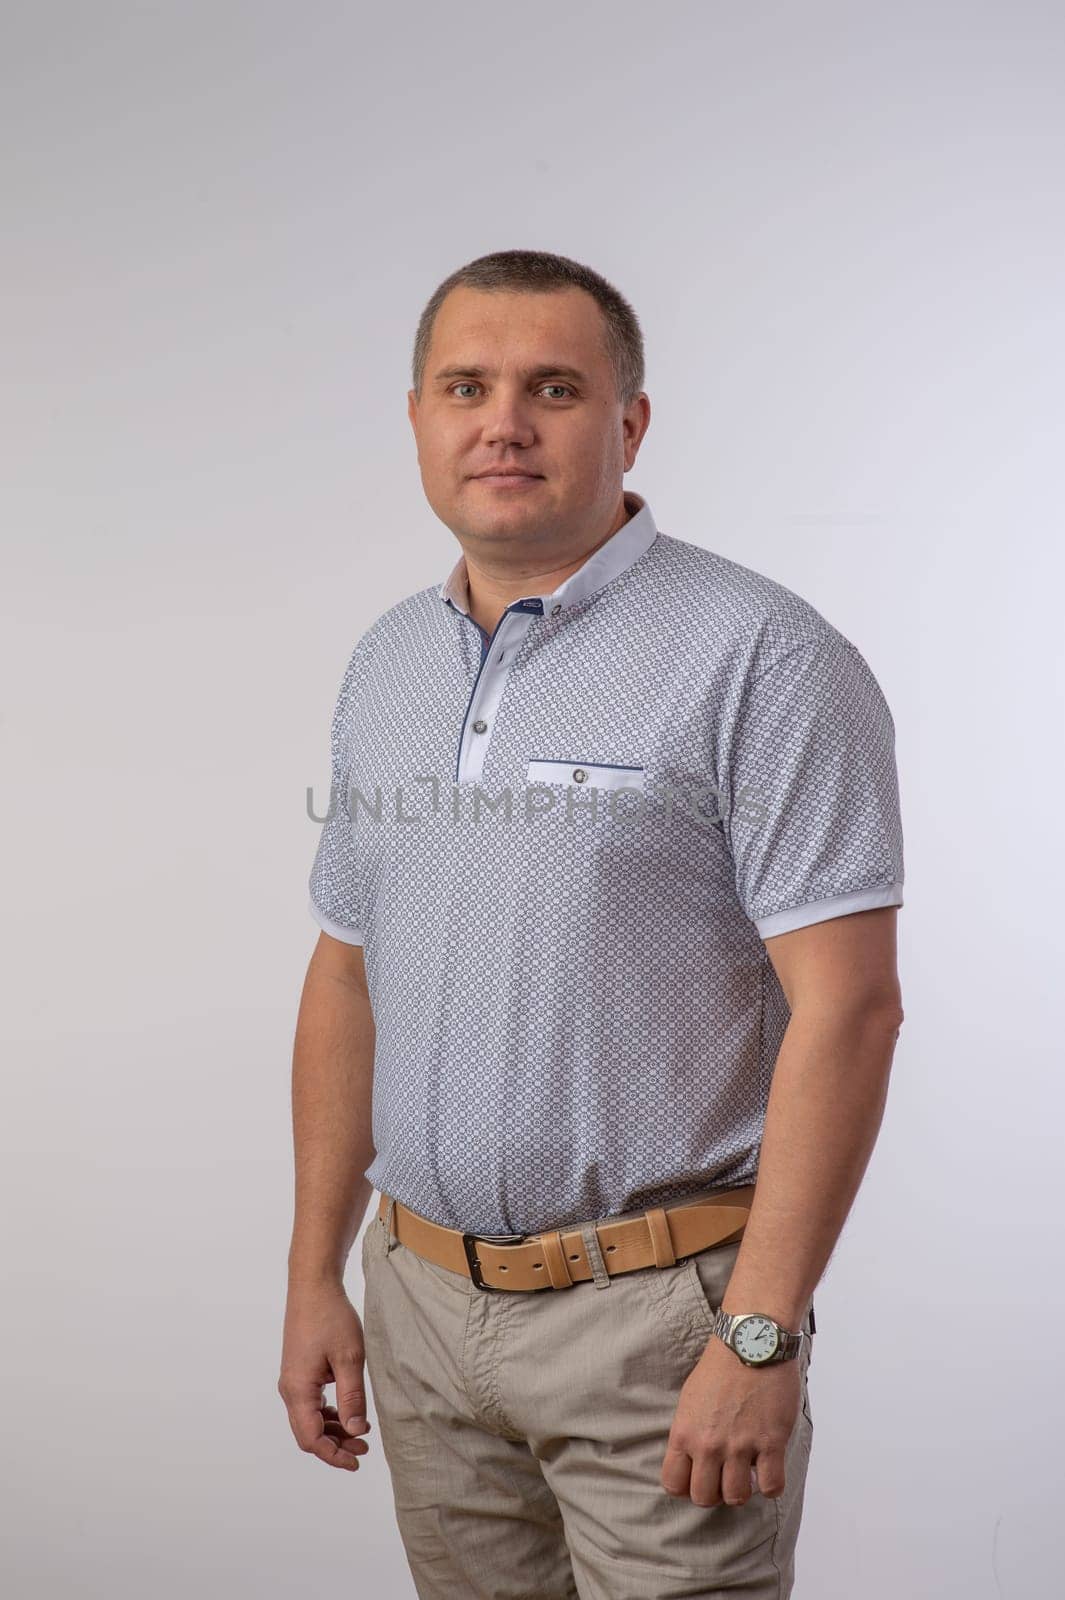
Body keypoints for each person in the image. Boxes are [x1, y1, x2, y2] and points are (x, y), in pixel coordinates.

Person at [279, 248, 905, 1598]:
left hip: (658, 1327)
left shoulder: (762, 655)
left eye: (552, 387)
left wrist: (758, 1334)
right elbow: (345, 977)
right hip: (423, 1312)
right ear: (416, 420)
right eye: (466, 386)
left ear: (627, 423)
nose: (502, 422)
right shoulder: (388, 659)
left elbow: (849, 1009)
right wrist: (314, 1274)